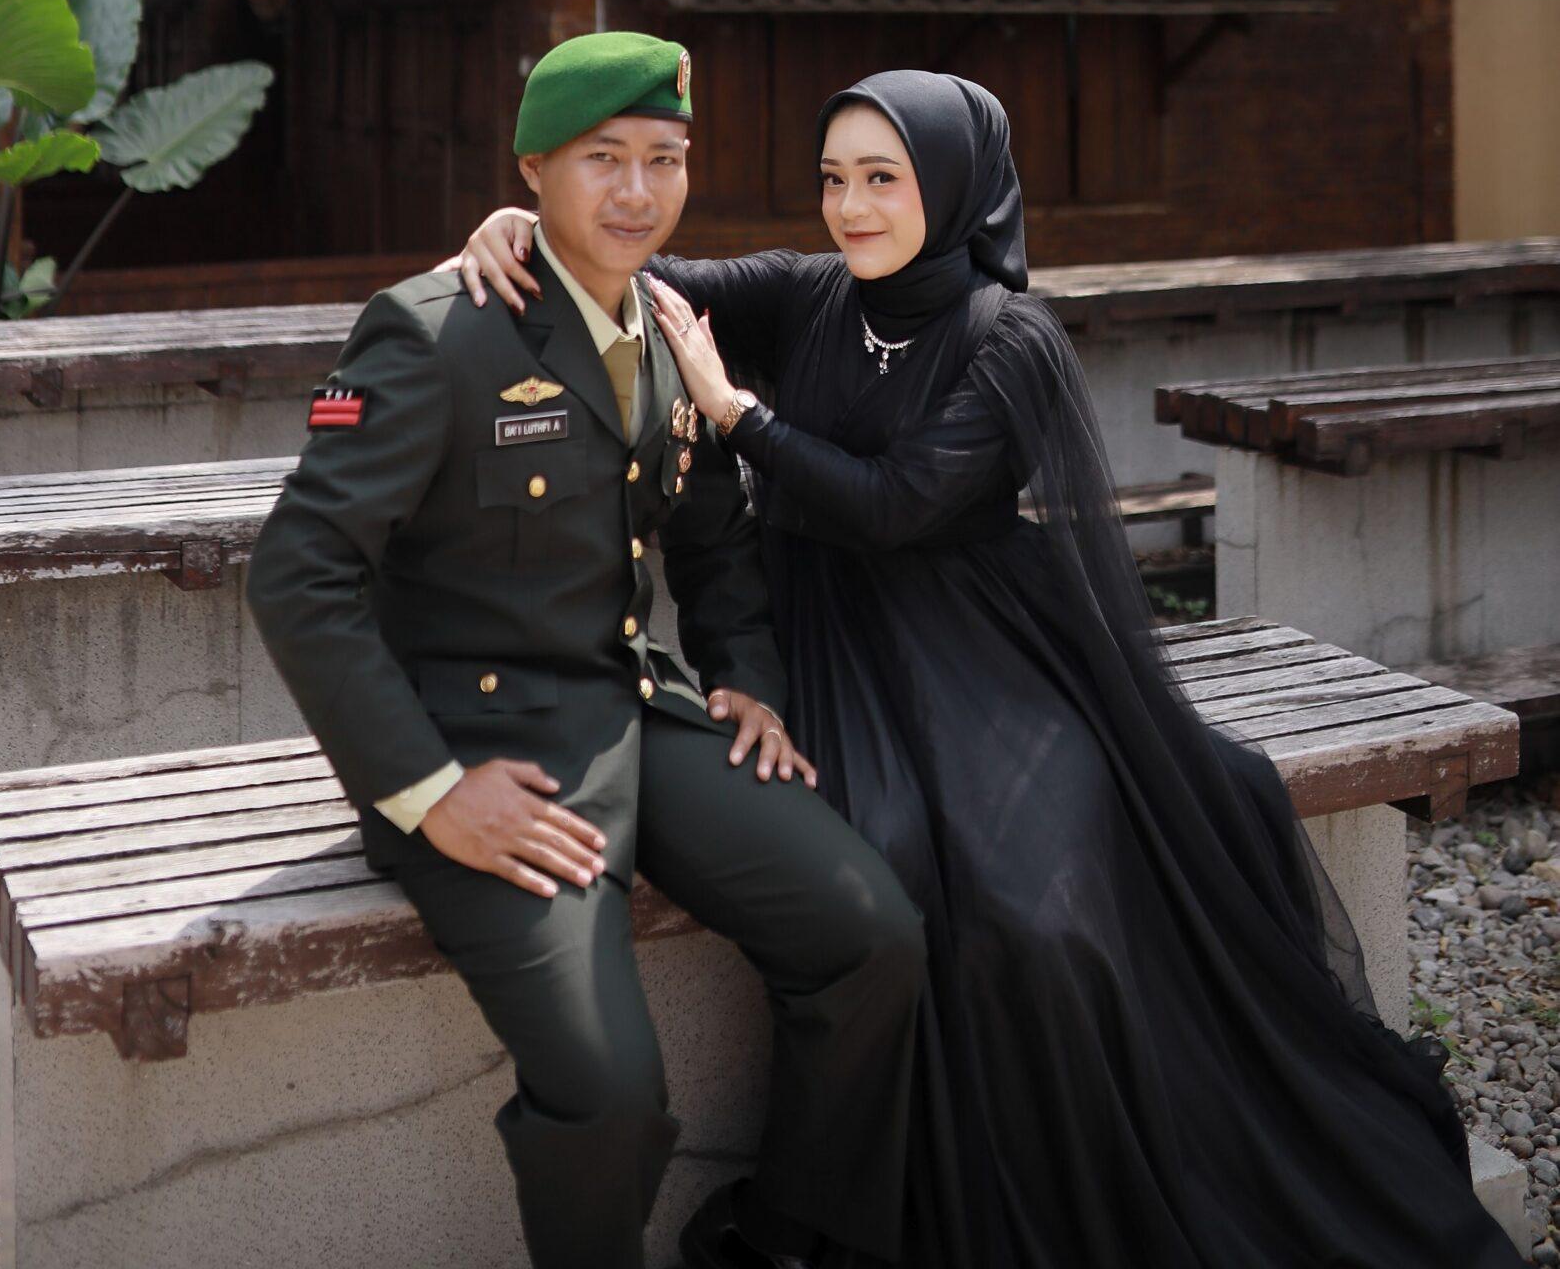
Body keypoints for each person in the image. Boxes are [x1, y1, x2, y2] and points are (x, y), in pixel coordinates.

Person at [454, 65, 1525, 1269]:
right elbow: (640, 272)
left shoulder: (1009, 336)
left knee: (1039, 915)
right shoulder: (811, 291)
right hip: (827, 641)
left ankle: (1098, 1178)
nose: (851, 207)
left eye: (883, 178)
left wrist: (738, 413)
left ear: (955, 184)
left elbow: (899, 504)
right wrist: (524, 228)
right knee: (891, 866)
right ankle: (870, 1209)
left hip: (985, 642)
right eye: (834, 179)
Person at [245, 32, 925, 1269]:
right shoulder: (436, 331)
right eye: (601, 158)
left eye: (664, 158)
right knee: (609, 1091)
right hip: (483, 757)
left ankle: (780, 1236)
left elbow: (715, 539)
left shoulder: (665, 323)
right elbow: (298, 572)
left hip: (633, 707)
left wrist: (747, 678)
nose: (636, 191)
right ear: (533, 171)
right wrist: (430, 793)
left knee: (869, 936)